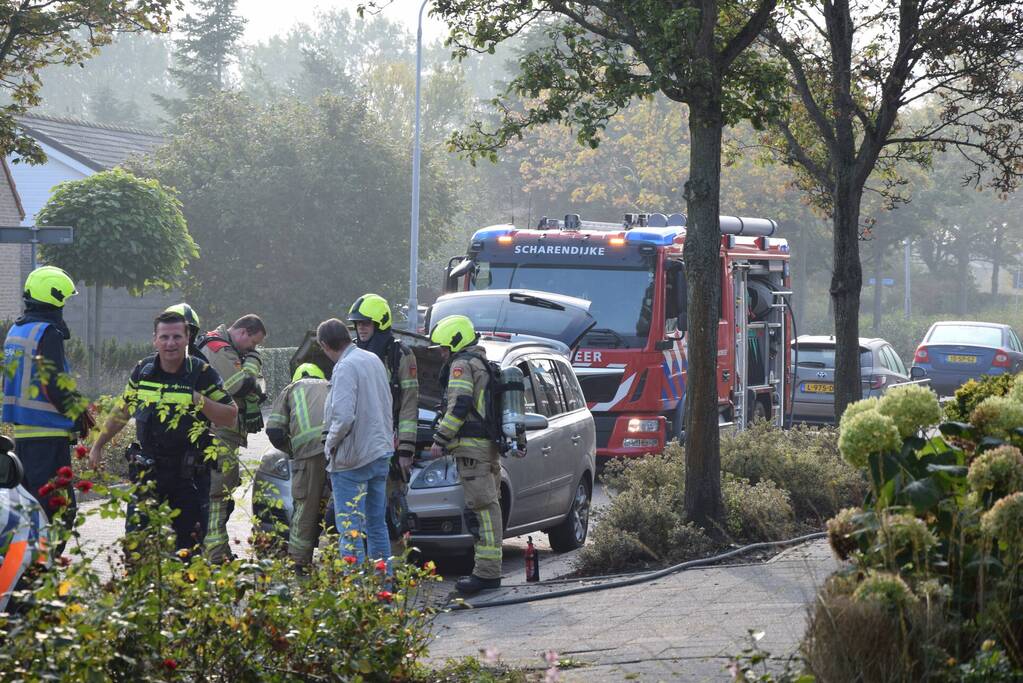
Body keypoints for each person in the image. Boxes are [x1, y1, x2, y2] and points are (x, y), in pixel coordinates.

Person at [87, 311, 237, 551]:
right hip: (148, 474)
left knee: (189, 551)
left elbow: (230, 415)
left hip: (189, 478)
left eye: (177, 337)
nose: (170, 343)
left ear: (187, 338)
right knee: (137, 548)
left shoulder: (202, 373)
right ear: (154, 339)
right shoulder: (143, 370)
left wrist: (199, 400)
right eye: (164, 337)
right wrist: (98, 445)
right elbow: (122, 412)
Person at [2, 266, 90, 529]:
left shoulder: (16, 331)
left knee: (30, 509)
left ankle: (29, 565)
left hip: (24, 437)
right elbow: (53, 384)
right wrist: (77, 415)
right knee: (59, 512)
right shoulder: (46, 333)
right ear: (55, 297)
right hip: (48, 437)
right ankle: (42, 566)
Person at [428, 314, 503, 595]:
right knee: (488, 506)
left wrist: (440, 437)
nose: (442, 355)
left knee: (482, 509)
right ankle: (487, 569)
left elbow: (460, 404)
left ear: (455, 342)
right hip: (486, 446)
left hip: (472, 448)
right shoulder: (481, 362)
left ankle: (486, 573)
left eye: (443, 349)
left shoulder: (461, 365)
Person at [317, 318, 393, 568]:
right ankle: (384, 588)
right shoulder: (372, 359)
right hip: (380, 453)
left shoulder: (345, 366)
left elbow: (343, 416)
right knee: (377, 525)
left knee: (350, 530)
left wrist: (330, 444)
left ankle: (356, 593)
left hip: (352, 460)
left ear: (325, 345)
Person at [195, 314, 267, 563]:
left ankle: (217, 550)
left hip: (224, 430)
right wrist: (253, 364)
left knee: (223, 491)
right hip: (218, 431)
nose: (253, 349)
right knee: (218, 493)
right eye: (253, 344)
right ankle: (214, 553)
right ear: (244, 332)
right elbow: (238, 385)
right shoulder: (218, 347)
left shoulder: (228, 348)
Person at [348, 293, 418, 538]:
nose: (361, 329)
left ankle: (392, 571)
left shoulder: (400, 354)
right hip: (357, 445)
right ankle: (361, 570)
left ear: (380, 323)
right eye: (358, 324)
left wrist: (406, 449)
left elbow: (409, 403)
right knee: (354, 512)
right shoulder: (351, 353)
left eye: (366, 323)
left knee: (390, 514)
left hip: (389, 442)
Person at [265, 363, 329, 572]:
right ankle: (341, 560)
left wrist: (292, 450)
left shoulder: (290, 390)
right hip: (339, 452)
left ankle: (299, 562)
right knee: (341, 507)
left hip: (307, 456)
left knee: (305, 507)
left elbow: (274, 430)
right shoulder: (332, 385)